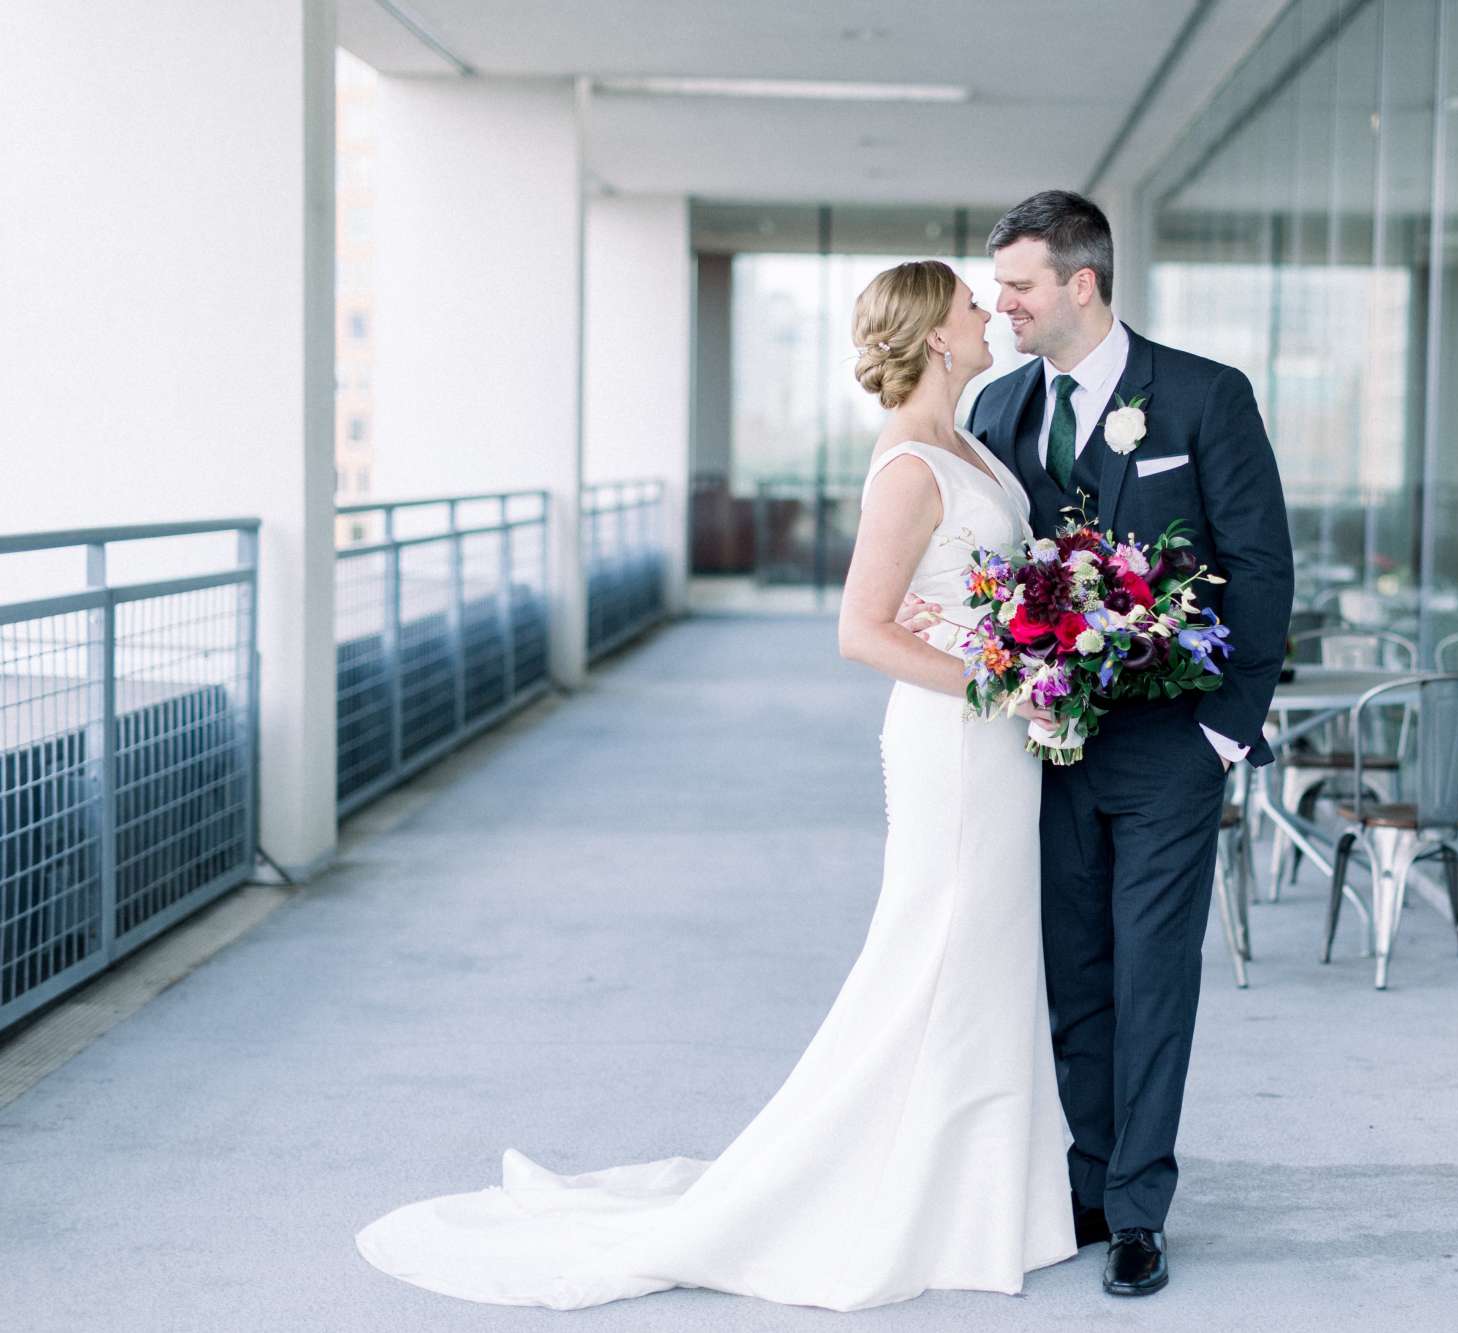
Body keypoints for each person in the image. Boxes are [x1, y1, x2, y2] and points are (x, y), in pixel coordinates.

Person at [353, 259, 1076, 1312]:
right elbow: (859, 630)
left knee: (987, 958)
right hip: (956, 749)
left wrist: (1032, 655)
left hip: (1000, 743)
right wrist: (1005, 683)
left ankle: (984, 1195)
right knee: (934, 954)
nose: (987, 315)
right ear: (931, 335)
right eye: (971, 303)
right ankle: (898, 1191)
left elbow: (982, 592)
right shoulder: (911, 466)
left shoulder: (972, 444)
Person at [902, 189, 1292, 1297]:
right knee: (1072, 971)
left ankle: (1136, 1208)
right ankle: (1083, 1177)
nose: (1001, 306)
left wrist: (1225, 731)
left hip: (1172, 743)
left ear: (1081, 282)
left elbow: (1260, 566)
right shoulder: (999, 411)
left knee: (1152, 971)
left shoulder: (1206, 396)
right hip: (1042, 746)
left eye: (1017, 286)